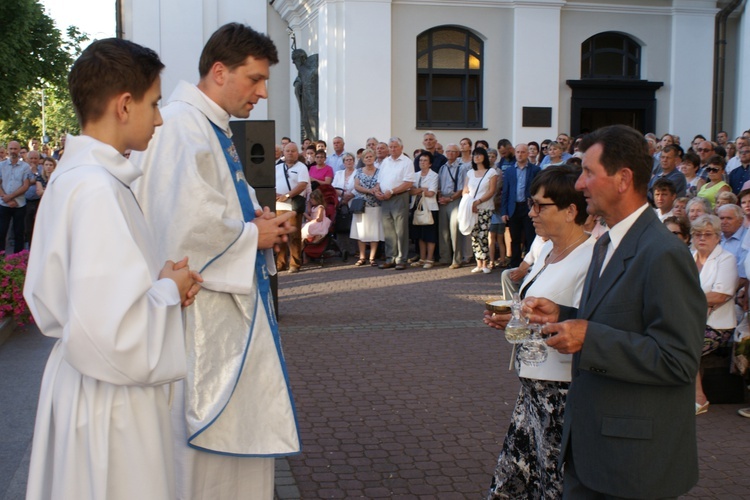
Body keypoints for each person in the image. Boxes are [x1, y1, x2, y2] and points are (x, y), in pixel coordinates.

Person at [24, 38, 201, 500]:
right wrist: (168, 287)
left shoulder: (82, 178)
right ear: (125, 105)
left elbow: (96, 299)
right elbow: (113, 332)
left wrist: (156, 281)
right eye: (154, 103)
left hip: (91, 385)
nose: (160, 118)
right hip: (110, 402)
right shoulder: (95, 188)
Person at [130, 23, 301, 499]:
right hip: (200, 319)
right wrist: (253, 234)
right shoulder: (182, 126)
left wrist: (256, 220)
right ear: (220, 71)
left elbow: (218, 208)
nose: (263, 92)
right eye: (255, 79)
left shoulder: (210, 126)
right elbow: (180, 228)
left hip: (223, 307)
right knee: (202, 453)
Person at [521, 125, 705, 498]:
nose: (580, 184)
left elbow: (678, 359)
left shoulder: (663, 253)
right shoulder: (607, 244)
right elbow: (616, 318)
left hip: (633, 462)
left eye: (589, 173)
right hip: (593, 448)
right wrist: (563, 314)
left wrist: (589, 337)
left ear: (623, 179)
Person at [485, 166, 595, 499]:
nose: (530, 213)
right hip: (533, 386)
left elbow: (580, 327)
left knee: (552, 483)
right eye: (531, 204)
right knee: (514, 480)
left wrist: (530, 324)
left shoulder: (590, 259)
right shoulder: (546, 249)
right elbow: (535, 310)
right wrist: (515, 320)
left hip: (560, 392)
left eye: (540, 206)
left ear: (571, 211)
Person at [691, 214, 738, 415]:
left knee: (685, 347)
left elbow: (720, 295)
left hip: (718, 326)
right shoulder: (688, 257)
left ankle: (699, 399)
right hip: (691, 320)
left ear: (718, 237)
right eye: (697, 234)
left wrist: (686, 300)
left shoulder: (726, 259)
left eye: (708, 234)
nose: (702, 238)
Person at [375, 137, 413, 270]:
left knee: (401, 229)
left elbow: (408, 183)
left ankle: (401, 259)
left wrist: (391, 191)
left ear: (401, 148)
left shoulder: (407, 162)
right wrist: (377, 191)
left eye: (395, 147)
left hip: (399, 197)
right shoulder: (385, 161)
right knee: (388, 230)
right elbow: (379, 180)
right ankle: (390, 258)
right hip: (385, 198)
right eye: (390, 147)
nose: (392, 149)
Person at [501, 144, 541, 267]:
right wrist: (504, 211)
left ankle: (530, 263)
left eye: (523, 152)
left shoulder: (535, 170)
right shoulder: (510, 171)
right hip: (514, 208)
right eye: (518, 152)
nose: (520, 154)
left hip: (528, 207)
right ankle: (515, 263)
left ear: (528, 153)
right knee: (515, 238)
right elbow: (505, 192)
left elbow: (537, 190)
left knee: (530, 236)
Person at [275, 142, 310, 273]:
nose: (290, 153)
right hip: (278, 205)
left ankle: (295, 263)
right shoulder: (277, 167)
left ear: (297, 153)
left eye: (293, 151)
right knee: (280, 235)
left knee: (294, 235)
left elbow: (302, 185)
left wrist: (287, 195)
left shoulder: (302, 167)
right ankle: (280, 263)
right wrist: (276, 194)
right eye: (287, 150)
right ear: (283, 152)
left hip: (293, 206)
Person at [463, 147, 498, 274]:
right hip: (471, 208)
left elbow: (491, 191)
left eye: (479, 155)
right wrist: (468, 202)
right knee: (474, 236)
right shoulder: (470, 173)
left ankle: (485, 263)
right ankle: (478, 263)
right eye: (474, 155)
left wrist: (478, 202)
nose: (476, 157)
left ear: (484, 157)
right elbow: (465, 190)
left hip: (485, 208)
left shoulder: (491, 172)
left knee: (483, 235)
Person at [351, 148, 383, 265]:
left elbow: (380, 184)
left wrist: (376, 190)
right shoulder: (358, 171)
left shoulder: (380, 171)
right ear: (363, 159)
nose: (369, 158)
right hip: (361, 204)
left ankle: (372, 258)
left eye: (371, 156)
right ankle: (362, 256)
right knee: (361, 231)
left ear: (374, 158)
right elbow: (356, 186)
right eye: (366, 157)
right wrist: (369, 191)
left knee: (375, 230)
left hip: (375, 205)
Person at [408, 150, 439, 268]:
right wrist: (422, 189)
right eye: (421, 160)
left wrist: (418, 189)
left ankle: (430, 259)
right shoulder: (415, 175)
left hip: (430, 208)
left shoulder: (434, 175)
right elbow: (410, 191)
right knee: (420, 235)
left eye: (425, 160)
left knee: (430, 235)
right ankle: (422, 258)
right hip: (416, 207)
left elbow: (431, 193)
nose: (422, 162)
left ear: (430, 163)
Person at [0, 140, 31, 253]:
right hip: (4, 204)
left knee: (19, 232)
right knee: (1, 232)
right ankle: (1, 258)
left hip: (19, 204)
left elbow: (25, 185)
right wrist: (6, 198)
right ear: (8, 150)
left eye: (15, 149)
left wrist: (11, 197)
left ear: (19, 150)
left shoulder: (25, 166)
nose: (13, 151)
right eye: (11, 149)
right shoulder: (1, 165)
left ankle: (18, 259)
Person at [332, 152, 357, 259]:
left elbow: (358, 186)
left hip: (353, 202)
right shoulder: (338, 173)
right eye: (346, 160)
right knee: (342, 225)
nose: (349, 161)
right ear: (343, 162)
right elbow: (333, 187)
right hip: (340, 203)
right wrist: (343, 196)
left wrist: (349, 196)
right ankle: (342, 249)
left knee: (353, 225)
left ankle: (353, 250)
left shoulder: (358, 172)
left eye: (351, 159)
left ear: (354, 161)